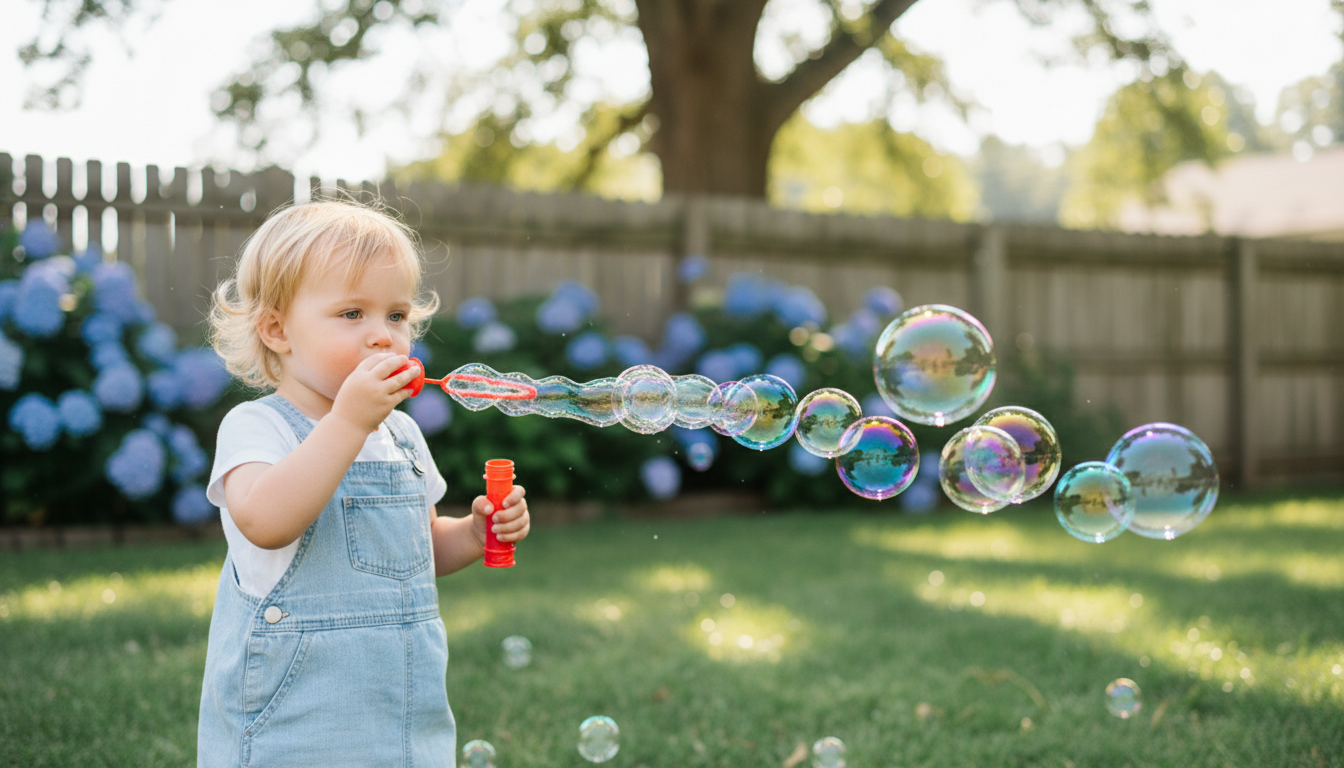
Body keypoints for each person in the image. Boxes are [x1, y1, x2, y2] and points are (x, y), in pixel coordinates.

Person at [198, 199, 530, 766]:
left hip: (400, 711)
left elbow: (418, 550)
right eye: (352, 314)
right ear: (277, 328)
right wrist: (348, 422)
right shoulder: (258, 426)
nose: (383, 337)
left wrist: (474, 535)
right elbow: (264, 523)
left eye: (396, 316)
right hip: (294, 722)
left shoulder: (399, 435)